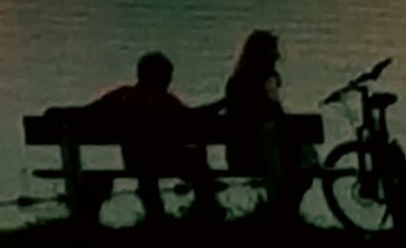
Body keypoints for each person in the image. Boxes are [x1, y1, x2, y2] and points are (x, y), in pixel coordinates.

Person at [86, 51, 221, 224]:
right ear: (162, 77)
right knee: (195, 160)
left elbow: (89, 112)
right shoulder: (165, 101)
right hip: (165, 160)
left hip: (134, 161)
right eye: (168, 76)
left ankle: (155, 216)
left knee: (150, 166)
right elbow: (191, 120)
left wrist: (56, 113)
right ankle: (206, 208)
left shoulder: (122, 96)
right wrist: (219, 105)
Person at [219, 30, 315, 222]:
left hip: (238, 155)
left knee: (297, 154)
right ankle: (284, 213)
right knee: (307, 161)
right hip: (263, 155)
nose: (278, 56)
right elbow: (276, 114)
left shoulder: (235, 81)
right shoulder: (267, 80)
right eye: (274, 51)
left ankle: (280, 212)